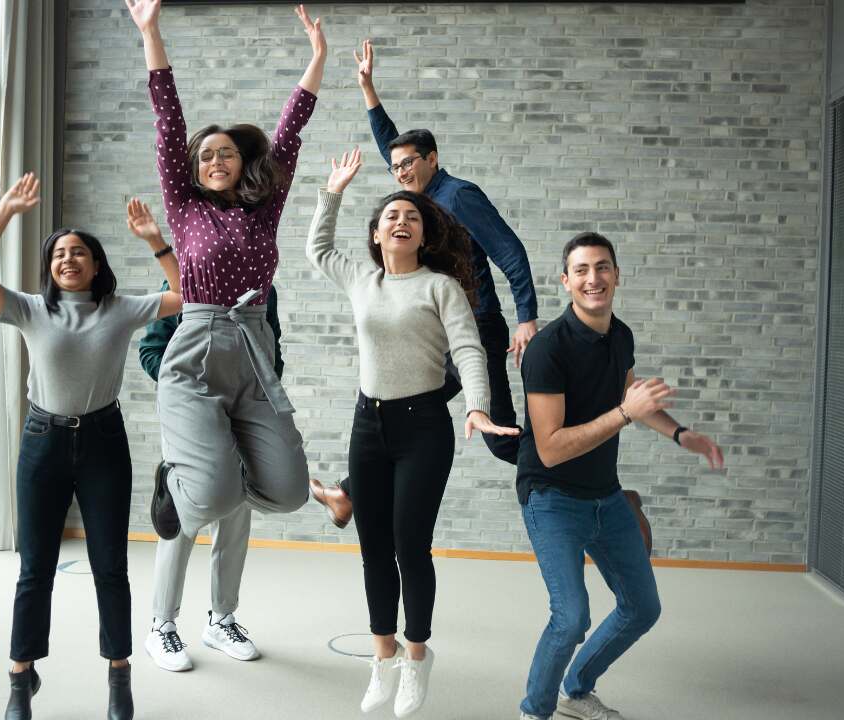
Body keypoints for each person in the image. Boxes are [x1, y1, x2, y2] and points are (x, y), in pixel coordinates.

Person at [0, 174, 181, 720]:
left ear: (96, 264)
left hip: (104, 443)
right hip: (43, 443)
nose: (68, 259)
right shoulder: (30, 309)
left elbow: (188, 296)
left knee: (111, 567)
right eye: (58, 253)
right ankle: (20, 677)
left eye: (78, 251)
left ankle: (119, 676)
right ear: (49, 266)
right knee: (35, 568)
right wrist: (4, 212)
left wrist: (156, 241)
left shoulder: (120, 308)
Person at [307, 148, 518, 718]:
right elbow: (317, 249)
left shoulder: (440, 287)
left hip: (423, 427)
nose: (402, 221)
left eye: (413, 217)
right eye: (391, 216)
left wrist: (476, 407)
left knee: (409, 545)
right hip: (367, 425)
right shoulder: (361, 278)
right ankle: (384, 654)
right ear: (377, 233)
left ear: (424, 235)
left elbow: (469, 349)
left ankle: (417, 655)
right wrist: (333, 192)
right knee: (372, 546)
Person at [309, 38, 539, 525]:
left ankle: (576, 476)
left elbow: (510, 252)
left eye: (408, 164)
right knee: (409, 413)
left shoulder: (459, 196)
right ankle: (349, 493)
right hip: (443, 332)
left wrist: (528, 318)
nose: (399, 172)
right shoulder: (421, 202)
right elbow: (390, 145)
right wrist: (368, 90)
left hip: (475, 328)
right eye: (395, 168)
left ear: (433, 159)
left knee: (497, 437)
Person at [124, 0, 327, 542]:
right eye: (207, 155)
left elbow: (289, 133)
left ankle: (219, 467)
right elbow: (169, 122)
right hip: (197, 347)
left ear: (243, 163)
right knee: (212, 499)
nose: (217, 160)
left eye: (228, 153)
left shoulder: (265, 209)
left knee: (289, 492)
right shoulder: (184, 208)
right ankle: (178, 478)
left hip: (254, 349)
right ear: (193, 168)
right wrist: (151, 33)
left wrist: (317, 59)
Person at [515, 232, 725, 720]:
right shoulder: (547, 350)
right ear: (566, 281)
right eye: (582, 270)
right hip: (551, 495)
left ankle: (576, 690)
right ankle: (535, 711)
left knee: (643, 608)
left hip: (604, 495)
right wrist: (626, 414)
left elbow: (632, 400)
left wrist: (681, 435)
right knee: (571, 618)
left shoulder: (621, 335)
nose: (594, 278)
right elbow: (550, 449)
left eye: (603, 267)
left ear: (617, 275)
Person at [136, 282, 283, 671]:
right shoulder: (183, 281)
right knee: (185, 515)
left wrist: (259, 396)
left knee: (236, 511)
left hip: (244, 412)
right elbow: (151, 350)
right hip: (191, 415)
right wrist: (188, 392)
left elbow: (272, 351)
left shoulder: (263, 287)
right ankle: (161, 625)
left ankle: (222, 620)